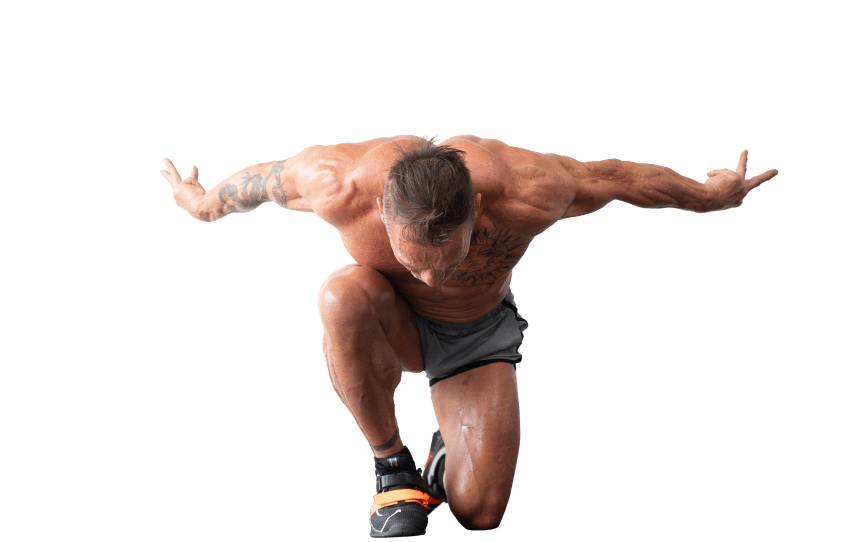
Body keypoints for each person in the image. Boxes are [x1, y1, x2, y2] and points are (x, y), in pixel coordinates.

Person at [160, 134, 778, 538]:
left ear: (477, 212)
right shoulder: (338, 182)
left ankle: (442, 459)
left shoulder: (530, 188)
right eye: (416, 262)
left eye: (446, 260)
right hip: (389, 321)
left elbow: (618, 178)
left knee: (480, 512)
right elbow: (263, 183)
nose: (431, 277)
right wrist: (201, 203)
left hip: (474, 332)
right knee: (340, 294)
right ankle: (393, 469)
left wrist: (710, 196)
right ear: (382, 213)